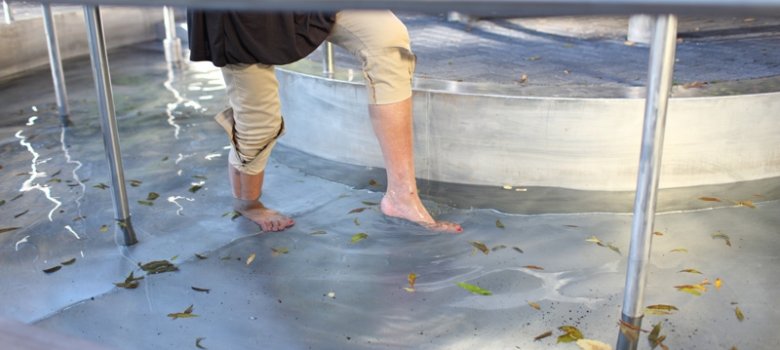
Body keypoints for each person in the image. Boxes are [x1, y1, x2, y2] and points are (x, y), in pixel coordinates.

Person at [188, 10, 461, 233]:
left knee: (387, 37)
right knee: (260, 123)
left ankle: (402, 196)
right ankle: (247, 203)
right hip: (243, 16)